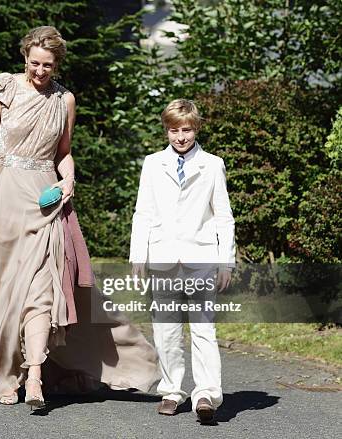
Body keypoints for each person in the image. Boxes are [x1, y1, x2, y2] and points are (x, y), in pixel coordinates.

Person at [0, 26, 159, 407]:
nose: (40, 71)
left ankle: (33, 377)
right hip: (4, 198)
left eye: (47, 65)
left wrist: (70, 177)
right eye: (34, 63)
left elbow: (63, 151)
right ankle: (2, 374)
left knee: (42, 291)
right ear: (24, 58)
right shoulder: (3, 90)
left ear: (57, 63)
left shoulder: (65, 100)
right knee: (2, 292)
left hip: (47, 201)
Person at [130, 99, 236, 424]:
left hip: (201, 258)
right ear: (166, 129)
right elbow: (143, 212)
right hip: (162, 257)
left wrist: (226, 261)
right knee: (166, 330)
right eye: (174, 130)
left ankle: (206, 394)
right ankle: (172, 391)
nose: (180, 137)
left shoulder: (213, 164)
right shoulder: (152, 163)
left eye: (186, 130)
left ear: (196, 128)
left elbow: (223, 217)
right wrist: (138, 256)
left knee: (204, 329)